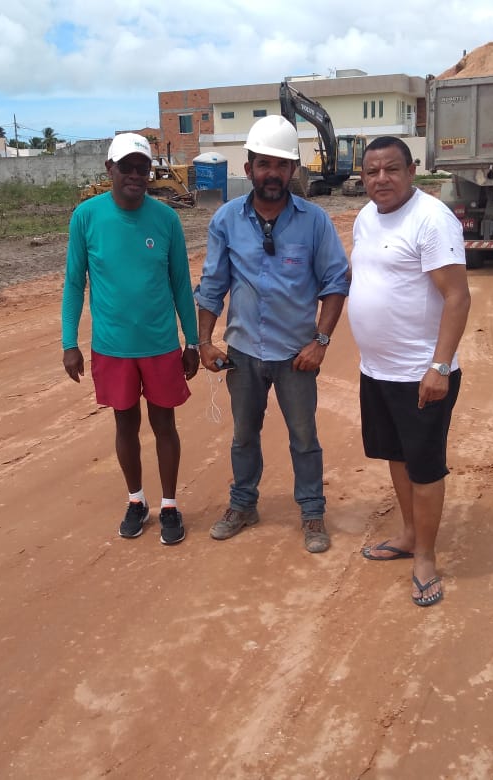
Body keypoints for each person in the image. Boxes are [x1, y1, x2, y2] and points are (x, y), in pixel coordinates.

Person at [194, 115, 350, 553]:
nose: (273, 174)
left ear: (293, 170)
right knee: (244, 435)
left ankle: (313, 513)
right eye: (264, 164)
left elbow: (336, 283)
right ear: (248, 169)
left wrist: (320, 342)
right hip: (243, 354)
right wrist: (204, 342)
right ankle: (243, 505)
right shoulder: (226, 220)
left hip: (296, 356)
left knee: (304, 437)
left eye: (282, 165)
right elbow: (212, 286)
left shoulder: (314, 222)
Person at [347, 136, 471, 606]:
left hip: (421, 374)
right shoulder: (364, 217)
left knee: (423, 466)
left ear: (412, 170)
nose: (381, 179)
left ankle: (426, 557)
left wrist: (439, 366)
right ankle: (406, 534)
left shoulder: (431, 219)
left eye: (391, 169)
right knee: (396, 457)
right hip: (376, 370)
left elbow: (458, 297)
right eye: (372, 171)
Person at [61, 132, 200, 545]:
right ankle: (137, 500)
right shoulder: (86, 217)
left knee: (165, 425)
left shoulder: (166, 219)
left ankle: (170, 505)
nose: (137, 176)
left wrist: (191, 341)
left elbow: (179, 283)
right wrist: (69, 342)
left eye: (144, 168)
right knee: (125, 425)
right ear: (110, 170)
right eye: (128, 168)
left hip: (160, 346)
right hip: (112, 347)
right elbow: (74, 283)